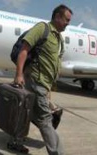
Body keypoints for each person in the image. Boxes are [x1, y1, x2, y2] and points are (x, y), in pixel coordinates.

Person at [13, 4, 73, 155]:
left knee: (26, 113)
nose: (68, 23)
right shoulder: (42, 28)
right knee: (46, 120)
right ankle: (57, 153)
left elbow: (54, 61)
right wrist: (19, 74)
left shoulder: (59, 38)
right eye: (66, 19)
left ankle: (15, 141)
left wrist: (50, 87)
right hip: (34, 80)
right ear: (57, 17)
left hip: (43, 85)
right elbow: (24, 50)